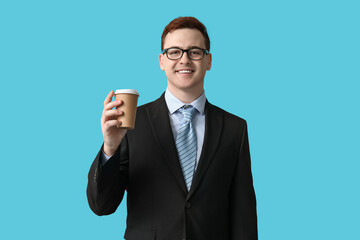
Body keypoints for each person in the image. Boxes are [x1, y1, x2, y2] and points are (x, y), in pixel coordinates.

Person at [87, 16, 258, 240]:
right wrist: (110, 146)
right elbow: (102, 206)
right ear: (161, 61)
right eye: (174, 51)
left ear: (208, 61)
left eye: (195, 51)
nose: (184, 59)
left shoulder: (235, 128)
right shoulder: (131, 123)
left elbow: (243, 216)